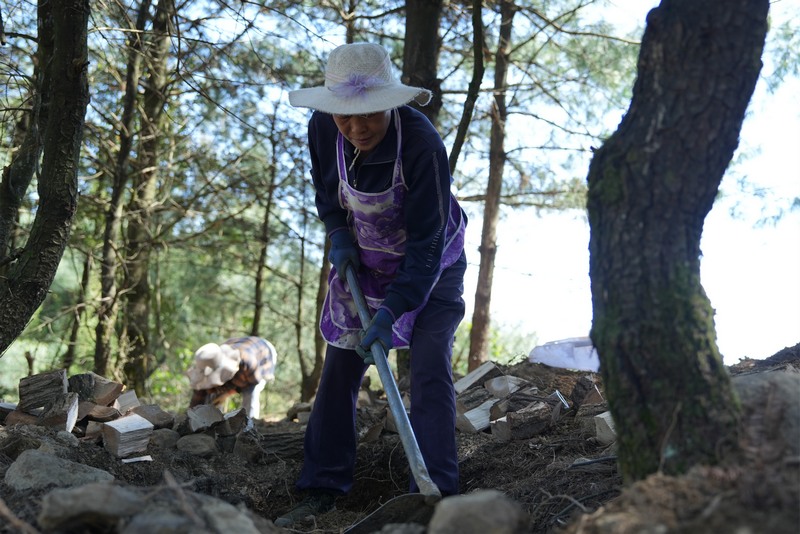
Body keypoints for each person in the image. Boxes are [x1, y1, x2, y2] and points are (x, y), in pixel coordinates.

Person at [275, 42, 467, 527]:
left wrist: (392, 311)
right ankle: (322, 484)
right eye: (346, 118)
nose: (357, 128)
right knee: (339, 367)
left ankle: (436, 493)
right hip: (363, 263)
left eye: (370, 116)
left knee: (427, 369)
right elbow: (326, 188)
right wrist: (338, 233)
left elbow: (426, 243)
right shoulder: (324, 124)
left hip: (433, 269)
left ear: (391, 104)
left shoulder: (422, 146)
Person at [186, 336, 277, 419]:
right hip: (240, 344)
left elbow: (253, 382)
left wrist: (227, 393)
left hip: (263, 352)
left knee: (250, 393)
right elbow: (198, 397)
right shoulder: (207, 360)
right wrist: (191, 416)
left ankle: (250, 424)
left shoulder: (247, 362)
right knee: (213, 396)